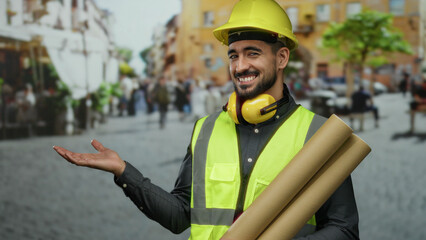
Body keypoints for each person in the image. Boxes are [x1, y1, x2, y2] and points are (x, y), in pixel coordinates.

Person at [53, 0, 359, 239]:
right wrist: (124, 172)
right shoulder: (206, 129)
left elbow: (344, 230)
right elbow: (180, 217)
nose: (240, 66)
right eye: (233, 55)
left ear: (281, 58)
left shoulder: (319, 134)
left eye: (252, 54)